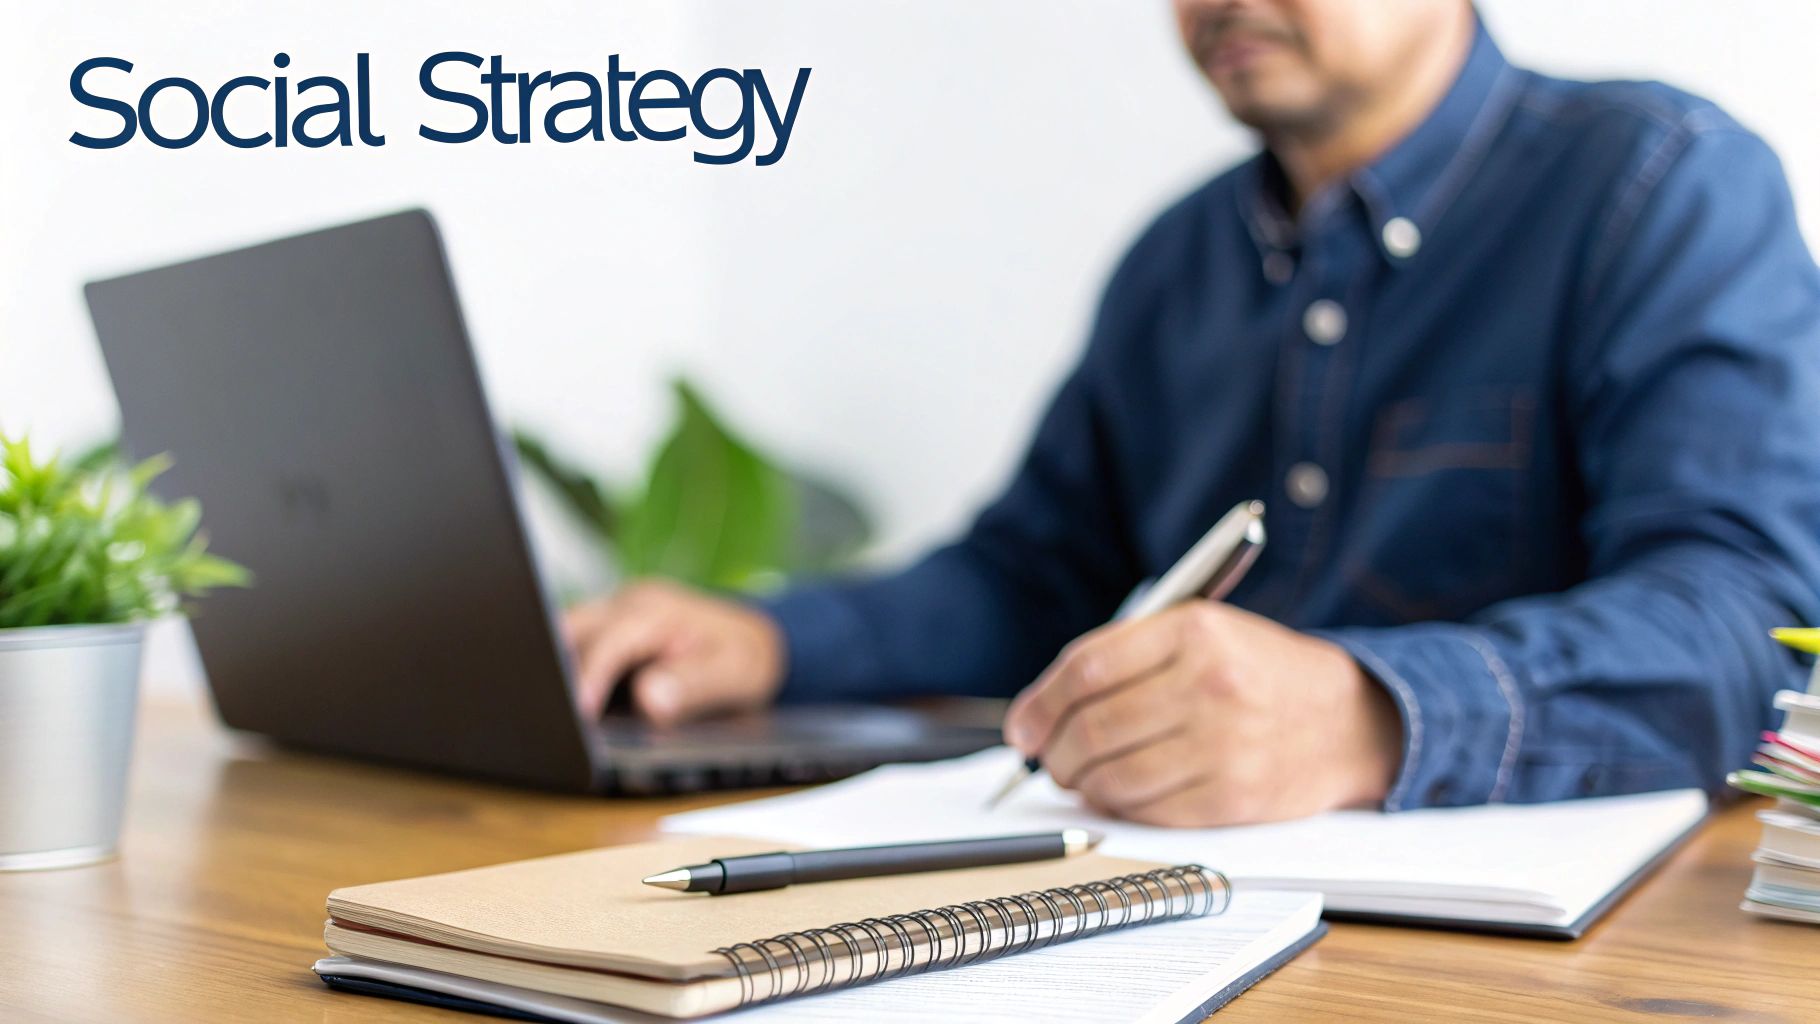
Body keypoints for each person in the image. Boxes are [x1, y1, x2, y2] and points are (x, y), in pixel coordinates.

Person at [563, 0, 1820, 826]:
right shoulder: (1176, 262)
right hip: (1181, 913)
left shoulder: (1659, 185)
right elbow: (1029, 578)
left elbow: (1747, 620)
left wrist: (1374, 713)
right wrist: (771, 644)